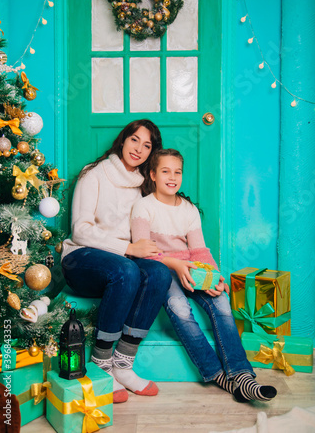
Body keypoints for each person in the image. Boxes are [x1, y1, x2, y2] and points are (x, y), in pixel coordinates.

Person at [130, 148, 277, 403]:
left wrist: (215, 277)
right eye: (165, 171)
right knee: (180, 308)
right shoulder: (143, 207)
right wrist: (174, 264)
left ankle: (241, 375)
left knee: (220, 302)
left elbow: (199, 251)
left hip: (190, 268)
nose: (172, 177)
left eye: (177, 172)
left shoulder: (188, 209)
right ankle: (216, 374)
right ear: (153, 175)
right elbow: (143, 252)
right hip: (162, 269)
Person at [61, 120, 172, 403]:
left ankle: (123, 364)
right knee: (125, 269)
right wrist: (129, 248)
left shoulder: (143, 186)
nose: (139, 149)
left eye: (147, 145)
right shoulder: (93, 174)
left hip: (122, 261)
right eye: (135, 140)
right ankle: (100, 363)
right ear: (123, 140)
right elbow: (80, 230)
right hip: (81, 258)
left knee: (158, 273)